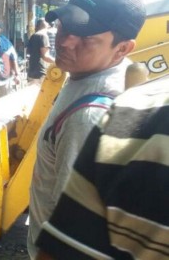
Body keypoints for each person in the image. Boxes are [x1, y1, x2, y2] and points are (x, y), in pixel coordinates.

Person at [27, 0, 147, 259]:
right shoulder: (91, 74)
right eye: (65, 26)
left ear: (123, 49)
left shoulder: (89, 116)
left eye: (88, 37)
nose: (66, 41)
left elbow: (72, 229)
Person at [36, 74, 169, 260]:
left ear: (121, 49)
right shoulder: (131, 108)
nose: (66, 43)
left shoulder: (113, 113)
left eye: (86, 41)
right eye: (59, 41)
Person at [26, 18, 54, 82]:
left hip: (31, 71)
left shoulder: (33, 36)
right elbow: (45, 56)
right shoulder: (43, 36)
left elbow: (28, 52)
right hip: (40, 72)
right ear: (46, 25)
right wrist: (57, 62)